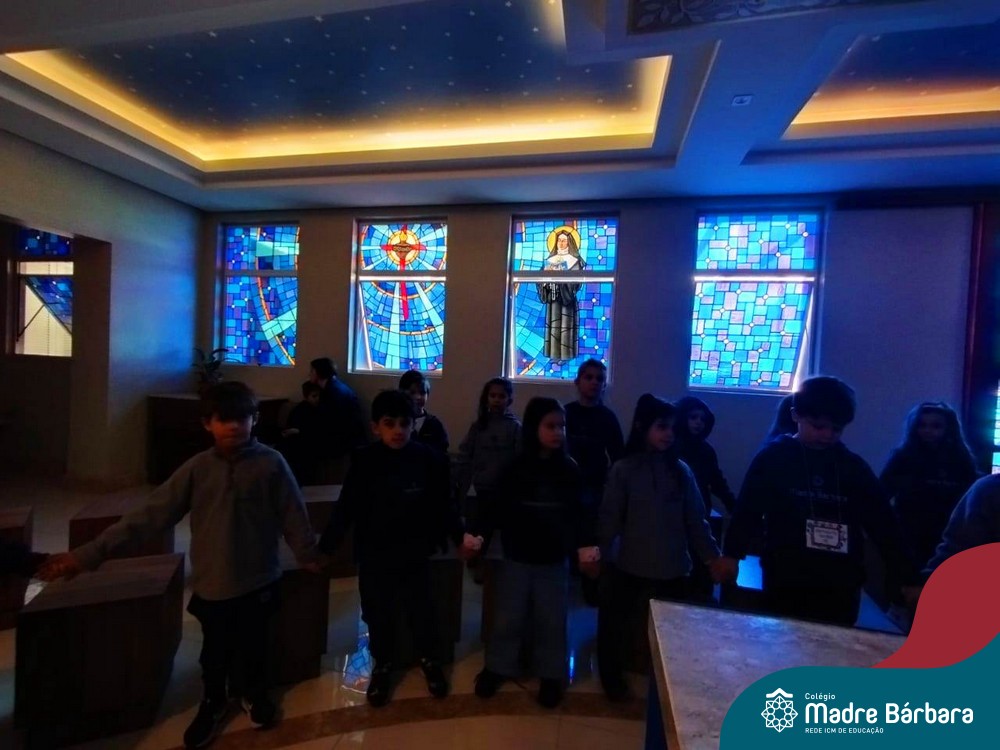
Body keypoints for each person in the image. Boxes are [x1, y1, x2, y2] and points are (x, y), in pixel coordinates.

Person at [38, 382, 320, 749]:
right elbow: (149, 516)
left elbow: (293, 512)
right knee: (215, 651)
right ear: (207, 423)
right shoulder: (197, 469)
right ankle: (214, 700)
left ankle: (252, 693)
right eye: (224, 419)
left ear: (255, 419)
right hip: (213, 583)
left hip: (260, 579)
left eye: (242, 418)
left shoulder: (272, 463)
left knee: (254, 643)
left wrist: (307, 554)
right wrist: (89, 554)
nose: (234, 426)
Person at [722, 376, 915, 627]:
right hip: (786, 576)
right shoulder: (773, 459)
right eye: (818, 426)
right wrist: (731, 555)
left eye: (836, 429)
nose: (826, 435)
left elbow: (884, 524)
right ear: (796, 415)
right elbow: (747, 510)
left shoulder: (852, 467)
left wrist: (907, 576)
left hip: (840, 581)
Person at [318, 389, 470, 707]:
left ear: (413, 424)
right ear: (376, 427)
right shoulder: (364, 460)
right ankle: (383, 664)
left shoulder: (428, 459)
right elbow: (347, 507)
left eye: (404, 423)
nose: (398, 430)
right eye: (390, 423)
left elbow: (444, 504)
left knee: (421, 608)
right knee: (377, 611)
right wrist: (326, 547)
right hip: (375, 552)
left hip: (416, 550)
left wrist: (459, 536)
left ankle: (429, 660)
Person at [596, 394, 725, 701]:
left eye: (672, 428)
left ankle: (668, 679)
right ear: (643, 427)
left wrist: (712, 557)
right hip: (630, 565)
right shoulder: (624, 470)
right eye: (661, 427)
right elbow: (610, 518)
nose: (669, 434)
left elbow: (696, 520)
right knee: (616, 625)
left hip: (673, 567)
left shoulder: (681, 471)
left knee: (671, 631)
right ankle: (612, 677)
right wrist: (598, 554)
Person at [469, 397, 585, 709]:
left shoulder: (569, 469)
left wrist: (583, 547)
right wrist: (479, 537)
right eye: (550, 426)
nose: (558, 432)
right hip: (516, 556)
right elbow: (494, 507)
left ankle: (551, 674)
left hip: (553, 559)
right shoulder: (514, 468)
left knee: (551, 619)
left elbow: (578, 514)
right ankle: (498, 666)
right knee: (508, 617)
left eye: (561, 426)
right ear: (534, 427)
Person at [880, 401, 979, 570]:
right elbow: (882, 494)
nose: (928, 430)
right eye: (922, 425)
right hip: (908, 534)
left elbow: (970, 499)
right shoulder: (903, 458)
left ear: (948, 428)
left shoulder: (961, 460)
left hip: (947, 536)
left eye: (935, 426)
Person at [564, 359, 625, 605]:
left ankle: (590, 584)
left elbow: (619, 455)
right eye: (588, 377)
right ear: (577, 381)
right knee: (568, 531)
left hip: (595, 485)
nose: (594, 382)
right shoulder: (566, 412)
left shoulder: (607, 417)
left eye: (599, 379)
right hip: (567, 483)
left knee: (591, 535)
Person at [452, 377, 522, 581]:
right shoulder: (479, 426)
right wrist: (458, 477)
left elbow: (519, 458)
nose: (497, 400)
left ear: (509, 399)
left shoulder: (514, 427)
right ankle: (473, 555)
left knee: (490, 524)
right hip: (479, 486)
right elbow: (465, 453)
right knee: (475, 521)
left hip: (502, 489)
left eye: (502, 396)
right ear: (486, 398)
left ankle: (484, 559)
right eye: (493, 396)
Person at [674, 396, 736, 600]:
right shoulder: (671, 447)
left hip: (700, 513)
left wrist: (732, 505)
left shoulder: (706, 450)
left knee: (700, 567)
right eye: (693, 417)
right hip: (674, 515)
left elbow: (716, 481)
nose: (698, 423)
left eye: (702, 419)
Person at [537, 228, 585, 360]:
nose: (561, 243)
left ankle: (566, 356)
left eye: (564, 241)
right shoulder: (549, 260)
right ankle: (553, 355)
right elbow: (539, 279)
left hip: (566, 301)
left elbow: (576, 283)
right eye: (559, 240)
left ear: (569, 243)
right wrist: (545, 281)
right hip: (552, 300)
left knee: (566, 328)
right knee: (553, 326)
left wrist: (562, 280)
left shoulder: (575, 261)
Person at [308, 356, 367, 460]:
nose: (309, 374)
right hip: (348, 438)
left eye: (312, 371)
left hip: (345, 442)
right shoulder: (336, 387)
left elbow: (329, 423)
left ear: (318, 372)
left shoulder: (332, 392)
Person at [278, 381, 326, 485]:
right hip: (298, 446)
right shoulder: (300, 410)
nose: (317, 399)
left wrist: (298, 431)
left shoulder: (316, 410)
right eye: (314, 396)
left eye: (319, 396)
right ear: (306, 397)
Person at [399, 369, 449, 454]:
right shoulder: (398, 422)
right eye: (412, 392)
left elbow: (443, 452)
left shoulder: (435, 424)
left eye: (422, 393)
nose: (418, 397)